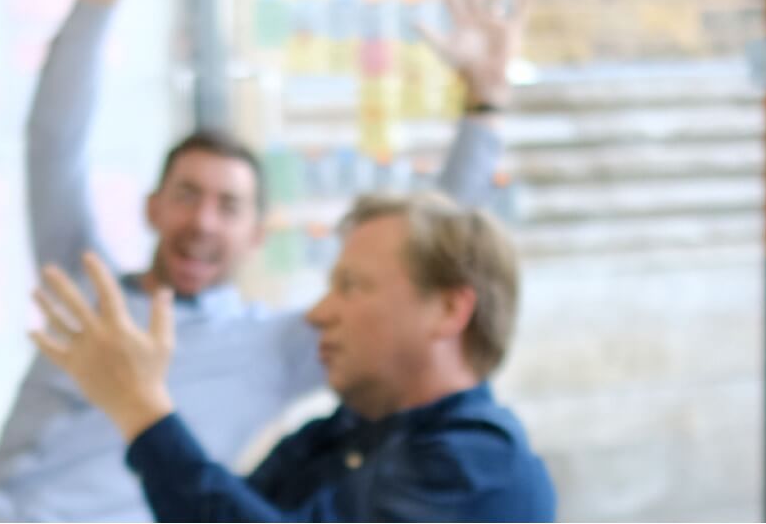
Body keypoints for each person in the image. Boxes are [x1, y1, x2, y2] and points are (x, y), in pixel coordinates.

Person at [0, 0, 526, 521]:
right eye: (187, 194)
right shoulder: (83, 284)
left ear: (257, 235)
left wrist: (485, 105)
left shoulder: (275, 349)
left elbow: (428, 253)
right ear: (152, 207)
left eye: (229, 206)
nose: (203, 221)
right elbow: (53, 142)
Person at [35, 192, 555, 522]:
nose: (319, 314)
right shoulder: (336, 436)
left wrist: (141, 407)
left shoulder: (482, 468)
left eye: (351, 286)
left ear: (449, 310)